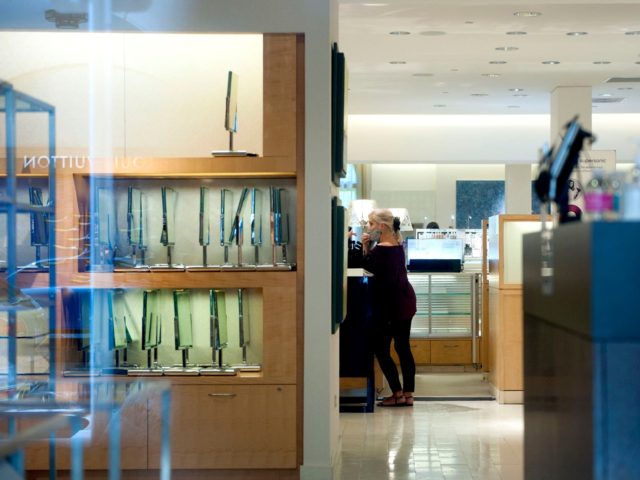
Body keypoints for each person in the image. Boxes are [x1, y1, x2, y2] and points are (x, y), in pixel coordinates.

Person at [362, 208, 417, 407]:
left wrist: (365, 247)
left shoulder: (382, 249)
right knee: (403, 348)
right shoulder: (397, 244)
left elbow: (367, 266)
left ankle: (397, 393)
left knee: (381, 349)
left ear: (382, 226)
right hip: (405, 302)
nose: (368, 227)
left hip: (390, 306)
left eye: (370, 224)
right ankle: (408, 394)